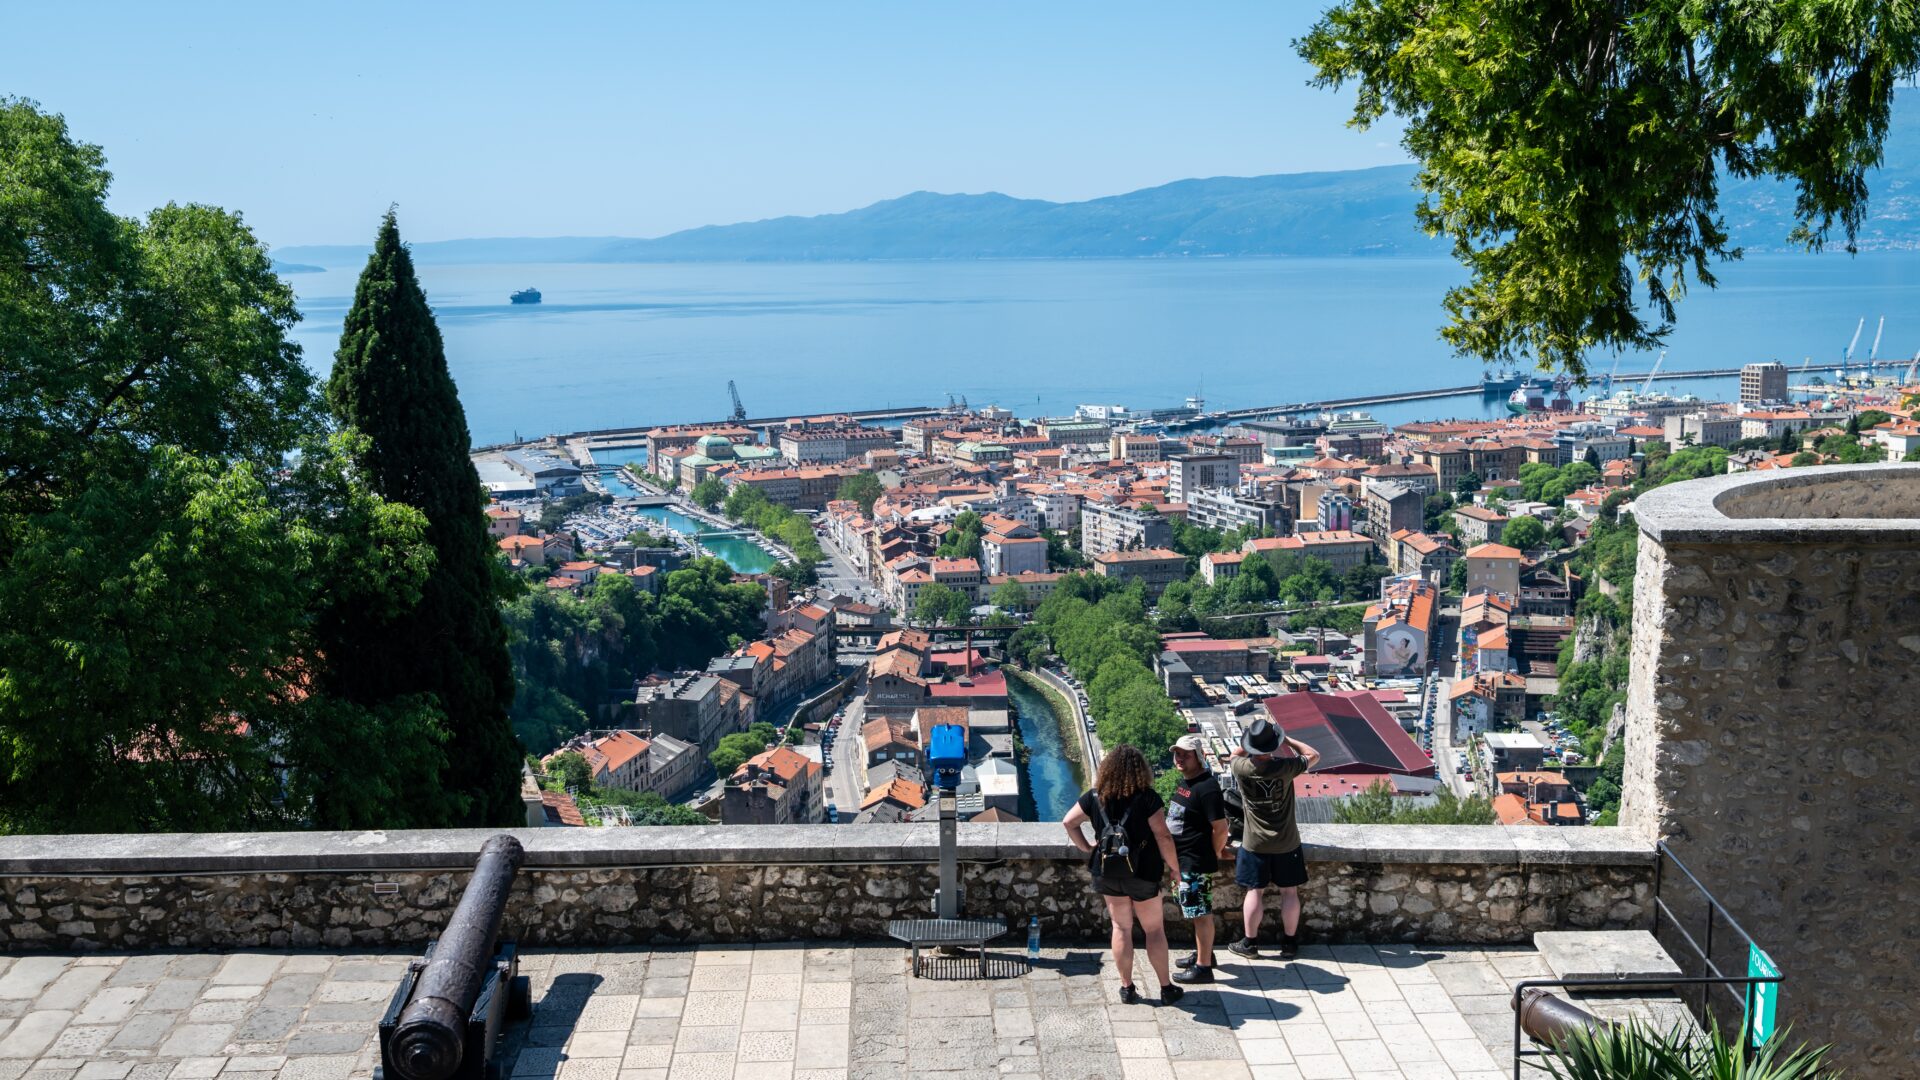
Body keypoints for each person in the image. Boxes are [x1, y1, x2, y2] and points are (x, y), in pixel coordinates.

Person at [1062, 744, 1185, 1005]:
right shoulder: (1147, 797)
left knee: (1120, 927)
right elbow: (1163, 836)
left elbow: (1068, 822)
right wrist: (1175, 868)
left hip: (1108, 871)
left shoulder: (1095, 796)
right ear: (1141, 770)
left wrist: (1087, 847)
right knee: (1153, 930)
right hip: (1142, 872)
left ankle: (1127, 987)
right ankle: (1165, 987)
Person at [1228, 716, 1320, 960]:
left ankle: (1250, 943)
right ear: (1274, 745)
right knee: (1289, 893)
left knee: (1254, 892)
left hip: (1254, 842)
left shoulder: (1242, 768)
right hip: (1286, 841)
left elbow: (1232, 756)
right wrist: (1286, 739)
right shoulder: (1285, 768)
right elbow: (1313, 755)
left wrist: (1248, 739)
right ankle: (1289, 943)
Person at [1166, 734, 1231, 984]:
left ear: (1198, 756)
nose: (1179, 758)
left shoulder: (1207, 787)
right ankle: (1205, 954)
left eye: (1186, 754)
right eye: (1177, 754)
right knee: (1193, 910)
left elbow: (1221, 828)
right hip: (1183, 860)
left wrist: (1214, 853)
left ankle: (1204, 968)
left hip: (1195, 861)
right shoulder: (1188, 782)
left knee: (1201, 913)